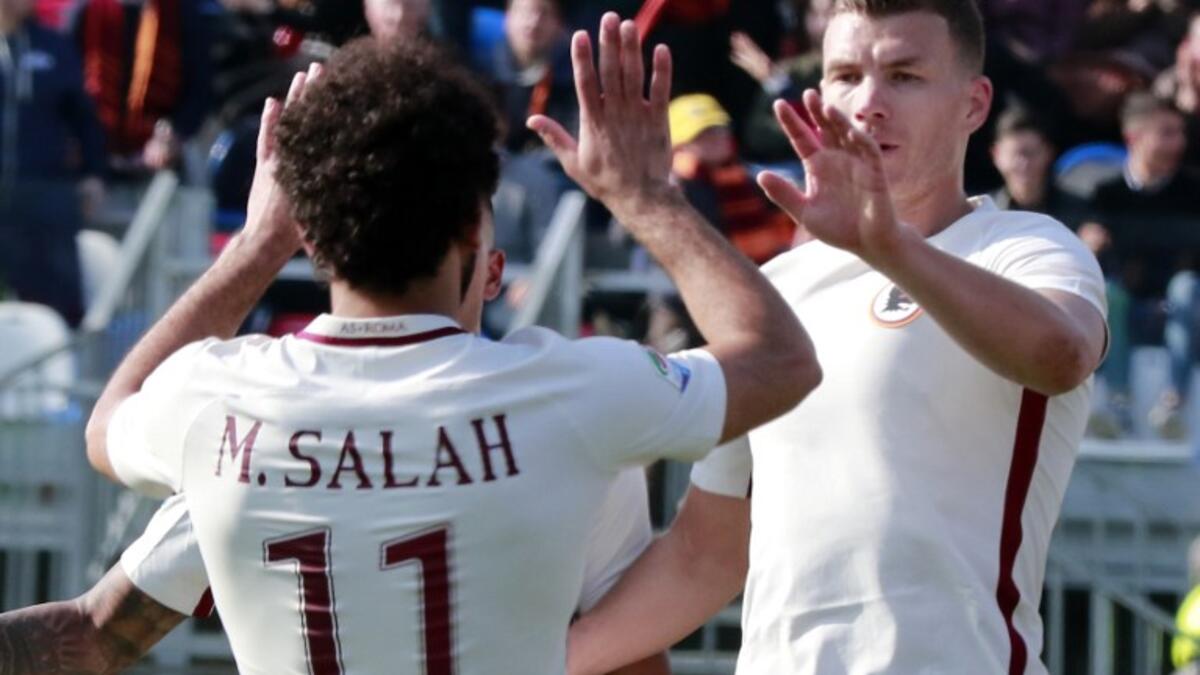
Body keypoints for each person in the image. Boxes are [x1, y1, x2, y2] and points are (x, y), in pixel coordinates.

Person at [79, 16, 819, 674]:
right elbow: (781, 359)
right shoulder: (569, 391)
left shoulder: (222, 400)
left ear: (313, 234)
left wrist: (252, 248)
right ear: (474, 238)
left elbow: (109, 421)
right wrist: (646, 199)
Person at [564, 1, 1108, 673]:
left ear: (974, 104)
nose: (869, 103)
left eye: (905, 76)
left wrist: (892, 247)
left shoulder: (1026, 247)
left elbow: (1062, 355)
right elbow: (705, 553)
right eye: (847, 75)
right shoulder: (783, 288)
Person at [1086, 93, 1200, 437]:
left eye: (1180, 133)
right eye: (1166, 133)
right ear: (1134, 137)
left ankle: (1173, 401)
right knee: (1110, 293)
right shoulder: (1105, 195)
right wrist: (1086, 246)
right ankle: (1118, 404)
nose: (1178, 143)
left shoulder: (1193, 192)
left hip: (1179, 305)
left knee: (1187, 287)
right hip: (1126, 306)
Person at [0, 0, 107, 327]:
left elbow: (84, 118)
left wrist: (93, 173)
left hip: (45, 193)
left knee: (57, 300)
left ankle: (63, 369)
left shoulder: (54, 46)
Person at [668, 93, 798, 264]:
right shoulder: (675, 190)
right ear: (679, 145)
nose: (717, 138)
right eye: (702, 134)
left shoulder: (752, 179)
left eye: (719, 129)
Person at [989, 105, 1091, 230]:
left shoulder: (1080, 213)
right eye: (1015, 154)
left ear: (1048, 153)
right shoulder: (985, 214)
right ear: (997, 155)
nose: (1023, 164)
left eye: (1031, 153)